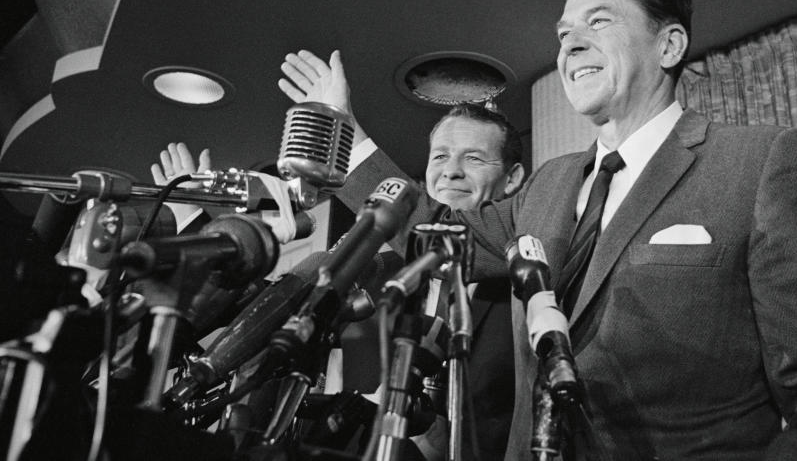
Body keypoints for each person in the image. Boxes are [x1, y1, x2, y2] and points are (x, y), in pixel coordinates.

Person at [278, 0, 797, 460]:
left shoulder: (761, 163)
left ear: (669, 45)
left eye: (598, 22)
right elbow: (434, 232)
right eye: (564, 32)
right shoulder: (548, 185)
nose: (570, 43)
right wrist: (345, 133)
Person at [150, 108, 525, 461]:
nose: (451, 172)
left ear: (513, 179)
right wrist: (198, 228)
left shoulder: (523, 278)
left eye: (474, 158)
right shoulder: (377, 262)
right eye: (440, 157)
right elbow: (268, 308)